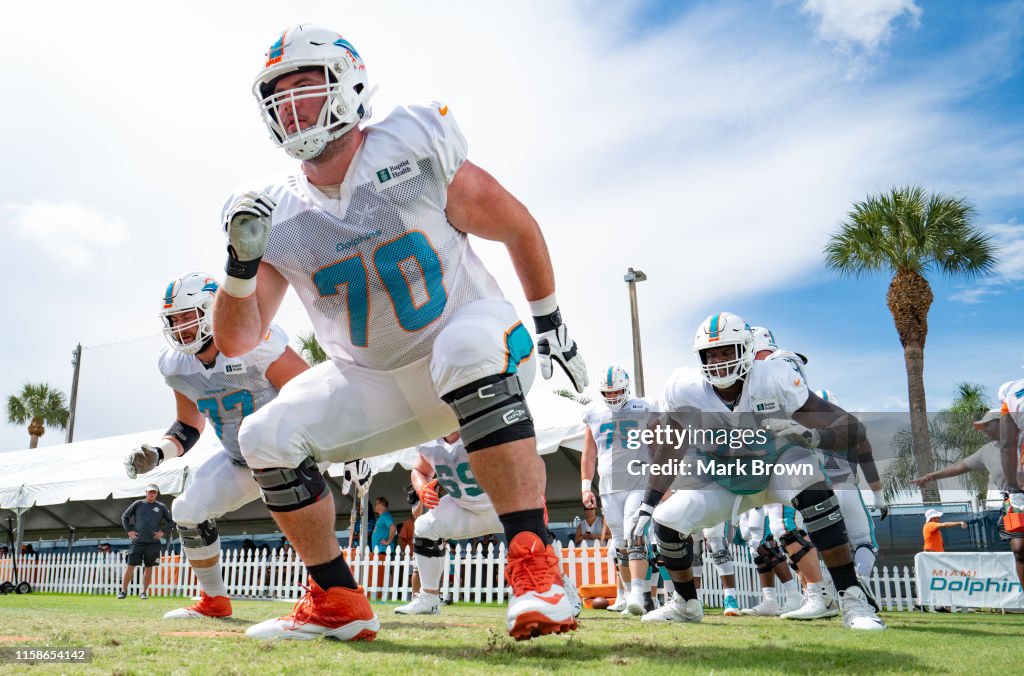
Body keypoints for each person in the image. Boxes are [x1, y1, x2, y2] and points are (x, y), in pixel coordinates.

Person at [212, 25, 588, 642]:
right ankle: (337, 598)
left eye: (306, 88)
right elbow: (235, 340)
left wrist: (549, 322)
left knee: (463, 349)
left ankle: (538, 574)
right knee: (264, 434)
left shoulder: (411, 145)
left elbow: (518, 226)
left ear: (350, 86)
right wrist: (239, 265)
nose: (293, 108)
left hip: (477, 343)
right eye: (278, 96)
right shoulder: (272, 209)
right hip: (374, 379)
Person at [633, 312, 885, 630]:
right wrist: (648, 502)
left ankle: (851, 598)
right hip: (725, 479)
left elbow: (852, 429)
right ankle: (685, 603)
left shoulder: (773, 376)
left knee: (812, 484)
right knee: (666, 521)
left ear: (747, 350)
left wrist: (814, 436)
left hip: (777, 467)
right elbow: (671, 446)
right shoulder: (684, 387)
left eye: (727, 351)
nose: (719, 361)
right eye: (712, 353)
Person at [123, 272, 310, 618]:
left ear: (210, 310)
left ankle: (332, 594)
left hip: (289, 453)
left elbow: (309, 394)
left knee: (302, 518)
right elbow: (188, 423)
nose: (180, 327)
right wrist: (159, 452)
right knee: (186, 511)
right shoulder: (176, 366)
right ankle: (214, 601)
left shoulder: (256, 344)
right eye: (174, 319)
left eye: (187, 316)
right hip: (240, 460)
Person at [394, 431, 581, 618]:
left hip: (503, 501)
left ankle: (563, 587)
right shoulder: (430, 439)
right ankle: (429, 598)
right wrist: (421, 487)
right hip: (464, 505)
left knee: (537, 533)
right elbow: (420, 470)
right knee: (424, 527)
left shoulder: (481, 430)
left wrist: (536, 496)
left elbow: (531, 460)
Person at [581, 365, 653, 616]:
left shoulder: (644, 407)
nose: (612, 397)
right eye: (607, 393)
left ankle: (637, 594)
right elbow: (589, 453)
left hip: (637, 479)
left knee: (635, 534)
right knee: (620, 542)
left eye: (617, 392)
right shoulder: (593, 412)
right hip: (609, 485)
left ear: (627, 388)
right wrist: (584, 485)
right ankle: (629, 593)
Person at [119, 484, 173, 600]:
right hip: (137, 541)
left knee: (149, 567)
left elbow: (171, 521)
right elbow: (125, 516)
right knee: (130, 566)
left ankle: (143, 592)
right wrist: (129, 531)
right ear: (146, 492)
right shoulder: (138, 503)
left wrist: (162, 532)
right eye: (150, 492)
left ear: (157, 494)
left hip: (153, 543)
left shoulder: (161, 506)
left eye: (154, 492)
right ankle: (123, 592)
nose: (152, 494)